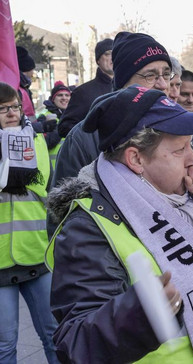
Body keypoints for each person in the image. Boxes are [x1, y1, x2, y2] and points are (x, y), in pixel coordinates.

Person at [46, 85, 193, 363]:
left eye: (191, 145)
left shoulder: (190, 195)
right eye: (179, 150)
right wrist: (137, 316)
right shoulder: (88, 226)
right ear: (136, 159)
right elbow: (74, 343)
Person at [51, 31, 172, 194]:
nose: (163, 85)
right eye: (150, 76)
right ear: (123, 83)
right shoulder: (82, 140)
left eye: (166, 74)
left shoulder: (189, 132)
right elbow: (64, 210)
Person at [0, 82, 59, 364]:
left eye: (14, 107)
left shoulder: (34, 140)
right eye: (2, 109)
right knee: (5, 343)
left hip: (36, 254)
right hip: (0, 262)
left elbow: (39, 185)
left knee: (54, 336)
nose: (11, 113)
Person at [57, 38, 114, 138]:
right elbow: (64, 128)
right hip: (97, 152)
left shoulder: (128, 88)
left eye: (115, 53)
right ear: (98, 60)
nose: (112, 57)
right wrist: (94, 133)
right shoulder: (83, 92)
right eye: (107, 54)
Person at [35, 81, 71, 170]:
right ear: (53, 99)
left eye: (67, 95)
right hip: (52, 169)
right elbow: (44, 143)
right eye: (60, 95)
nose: (64, 98)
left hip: (71, 168)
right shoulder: (44, 116)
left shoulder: (73, 115)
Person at [16, 45, 36, 120]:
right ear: (26, 69)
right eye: (32, 70)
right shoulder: (19, 90)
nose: (33, 74)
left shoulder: (22, 87)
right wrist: (42, 125)